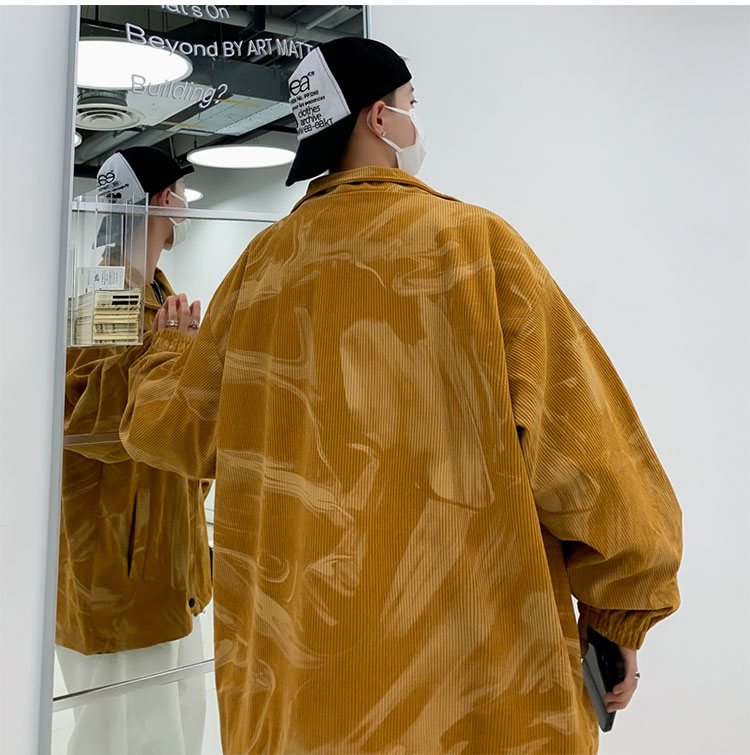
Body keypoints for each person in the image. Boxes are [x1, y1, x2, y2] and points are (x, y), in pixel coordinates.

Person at [120, 39, 682, 754]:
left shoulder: (260, 268)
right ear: (379, 119)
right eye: (411, 105)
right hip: (473, 692)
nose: (415, 120)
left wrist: (167, 349)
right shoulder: (477, 246)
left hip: (302, 695)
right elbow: (586, 448)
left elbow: (171, 433)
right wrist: (618, 614)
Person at [57, 147, 212, 754]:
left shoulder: (152, 293)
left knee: (173, 726)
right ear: (162, 201)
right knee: (126, 736)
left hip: (164, 558)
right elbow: (93, 429)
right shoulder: (108, 297)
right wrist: (169, 352)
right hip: (119, 565)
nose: (185, 206)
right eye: (179, 193)